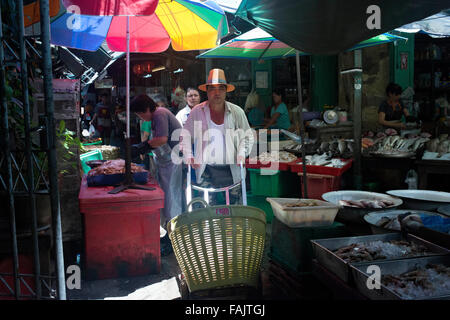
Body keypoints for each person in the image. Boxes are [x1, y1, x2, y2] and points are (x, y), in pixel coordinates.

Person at [181, 68, 254, 205]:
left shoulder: (237, 112)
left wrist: (242, 153)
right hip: (206, 168)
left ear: (226, 91)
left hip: (232, 166)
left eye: (221, 88)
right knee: (207, 209)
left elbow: (247, 136)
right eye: (212, 89)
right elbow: (185, 136)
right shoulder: (197, 111)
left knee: (234, 210)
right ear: (207, 91)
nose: (217, 92)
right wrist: (189, 156)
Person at [130, 94, 183, 255]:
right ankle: (170, 235)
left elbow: (161, 139)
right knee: (167, 198)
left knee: (171, 199)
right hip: (166, 162)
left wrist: (142, 147)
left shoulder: (160, 113)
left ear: (147, 109)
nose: (140, 117)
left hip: (174, 162)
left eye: (140, 114)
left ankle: (174, 240)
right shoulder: (156, 116)